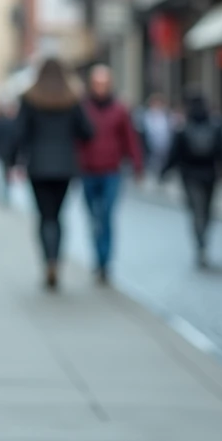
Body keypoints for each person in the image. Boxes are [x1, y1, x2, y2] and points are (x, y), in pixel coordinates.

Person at [12, 58, 94, 290]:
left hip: (38, 165)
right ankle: (56, 261)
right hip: (65, 166)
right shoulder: (72, 98)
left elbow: (19, 133)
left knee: (44, 216)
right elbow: (87, 131)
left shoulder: (30, 97)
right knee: (58, 216)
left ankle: (47, 261)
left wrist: (11, 161)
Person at [77, 64, 143, 283]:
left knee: (106, 215)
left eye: (104, 83)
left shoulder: (120, 109)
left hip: (111, 171)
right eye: (97, 83)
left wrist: (137, 164)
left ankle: (104, 262)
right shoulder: (83, 107)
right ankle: (98, 256)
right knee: (93, 217)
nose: (100, 87)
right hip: (87, 171)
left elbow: (130, 138)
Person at [160, 88, 222, 268]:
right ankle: (203, 239)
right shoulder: (215, 125)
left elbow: (173, 154)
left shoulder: (183, 127)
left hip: (190, 175)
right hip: (210, 174)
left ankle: (200, 242)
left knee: (197, 210)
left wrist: (163, 172)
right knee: (206, 210)